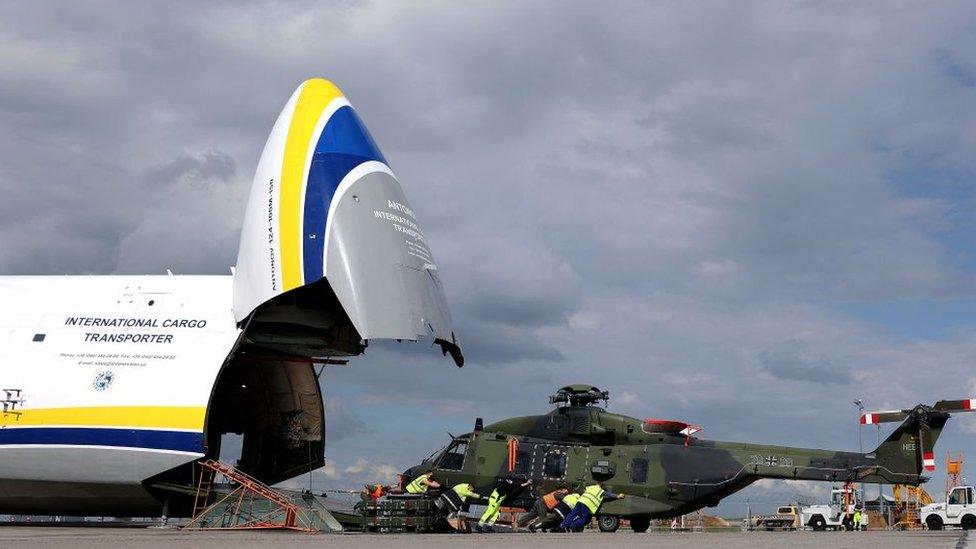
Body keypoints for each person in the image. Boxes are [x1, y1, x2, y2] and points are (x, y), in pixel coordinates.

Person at [558, 481, 624, 532]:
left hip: (580, 501)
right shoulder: (601, 491)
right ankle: (572, 525)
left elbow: (583, 490)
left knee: (572, 514)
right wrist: (618, 496)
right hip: (587, 504)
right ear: (601, 486)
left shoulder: (591, 487)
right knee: (583, 519)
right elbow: (609, 495)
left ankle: (563, 525)